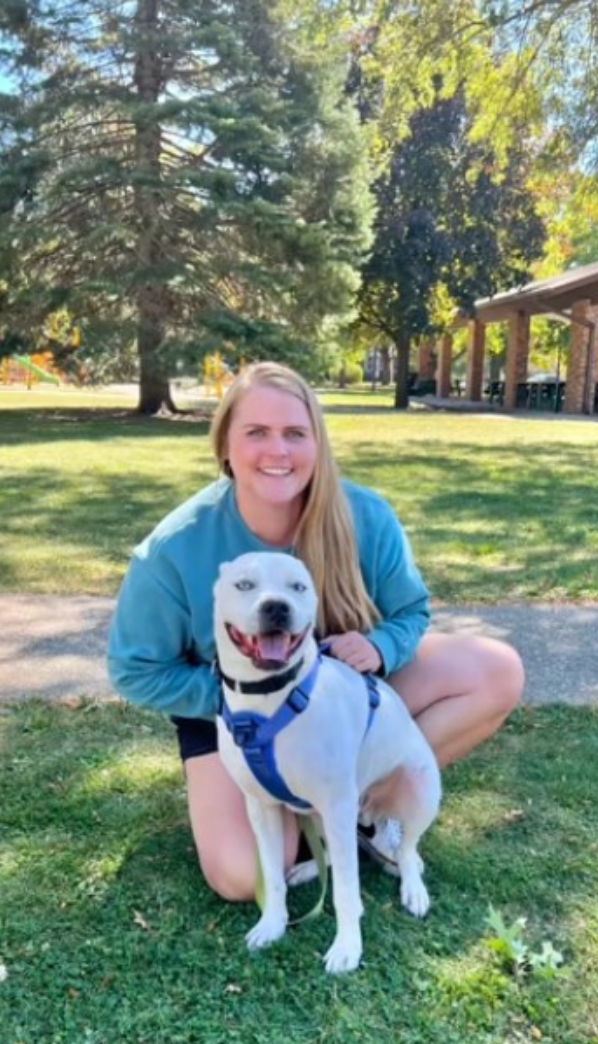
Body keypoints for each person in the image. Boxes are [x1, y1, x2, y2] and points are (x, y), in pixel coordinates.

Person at [107, 362, 524, 902]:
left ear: (318, 444)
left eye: (295, 434)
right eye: (256, 432)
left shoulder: (365, 517)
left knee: (495, 672)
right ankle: (284, 805)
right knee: (244, 877)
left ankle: (365, 814)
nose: (277, 451)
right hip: (235, 718)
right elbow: (134, 670)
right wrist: (241, 697)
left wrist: (378, 646)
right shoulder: (174, 550)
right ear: (225, 446)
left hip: (344, 695)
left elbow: (411, 611)